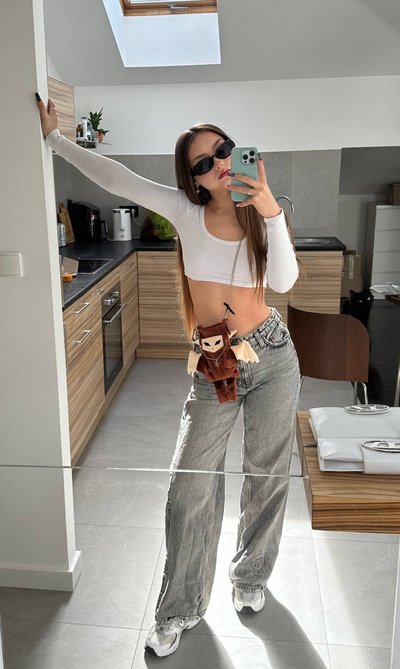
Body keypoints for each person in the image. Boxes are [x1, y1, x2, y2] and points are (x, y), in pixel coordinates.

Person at [36, 94, 301, 658]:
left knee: (267, 474)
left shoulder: (262, 212)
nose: (219, 163)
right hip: (216, 361)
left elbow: (283, 282)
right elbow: (117, 177)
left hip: (273, 355)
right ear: (193, 179)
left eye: (224, 151)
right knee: (190, 485)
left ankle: (251, 575)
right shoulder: (185, 212)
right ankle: (179, 607)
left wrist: (271, 208)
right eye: (204, 162)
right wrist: (55, 140)